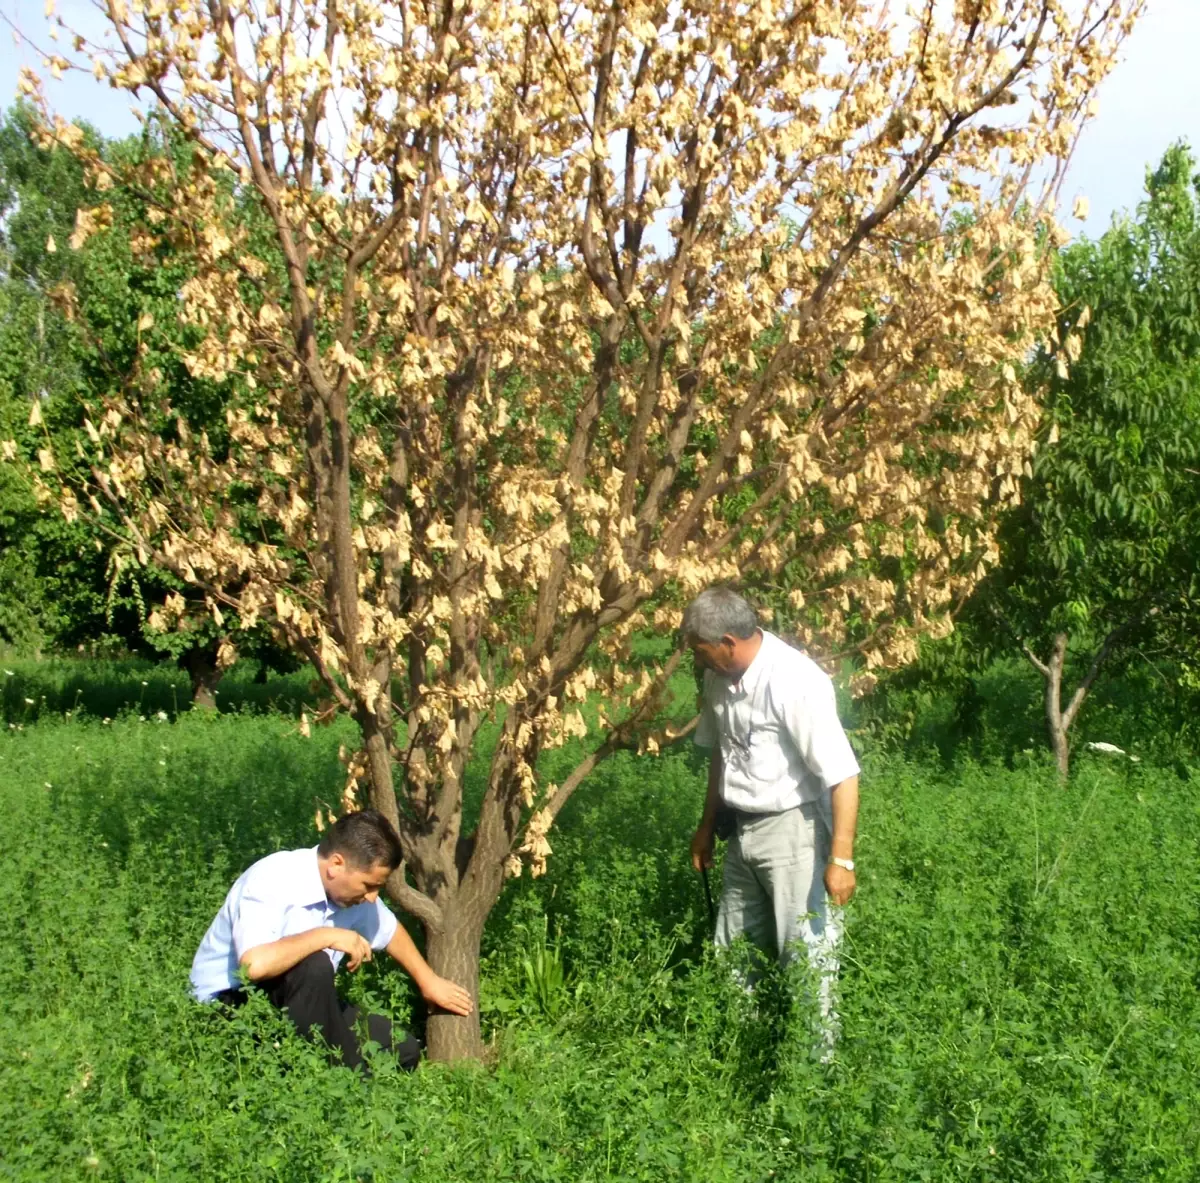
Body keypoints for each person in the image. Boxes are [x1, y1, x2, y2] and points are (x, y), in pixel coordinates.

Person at [684, 587, 860, 1049]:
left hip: (794, 833)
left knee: (805, 959)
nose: (700, 663)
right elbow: (722, 755)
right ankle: (746, 1056)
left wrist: (841, 861)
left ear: (727, 641)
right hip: (740, 833)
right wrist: (706, 828)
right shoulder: (718, 679)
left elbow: (843, 775)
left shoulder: (794, 681)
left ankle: (814, 1074)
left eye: (703, 653)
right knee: (734, 953)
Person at [190, 809, 472, 1071]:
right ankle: (341, 1080)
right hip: (232, 1001)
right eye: (369, 885)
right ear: (336, 864)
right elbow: (252, 966)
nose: (373, 897)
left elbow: (390, 931)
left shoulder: (352, 894)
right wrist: (327, 935)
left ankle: (320, 1063)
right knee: (315, 965)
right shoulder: (272, 879)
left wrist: (428, 981)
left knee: (404, 1050)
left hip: (300, 999)